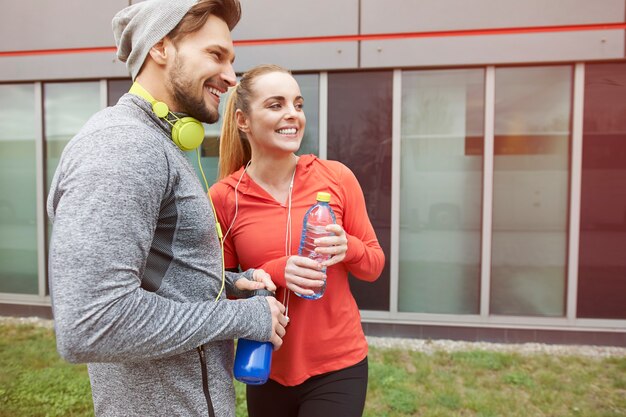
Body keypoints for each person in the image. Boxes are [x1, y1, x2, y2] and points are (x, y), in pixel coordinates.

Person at [46, 2, 288, 417]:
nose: (232, 77)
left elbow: (156, 277)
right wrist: (240, 318)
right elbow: (91, 324)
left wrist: (228, 284)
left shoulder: (160, 144)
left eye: (232, 61)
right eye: (216, 55)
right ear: (161, 48)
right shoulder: (122, 147)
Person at [210, 64, 386, 417]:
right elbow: (219, 289)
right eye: (276, 105)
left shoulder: (336, 178)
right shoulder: (224, 197)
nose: (292, 114)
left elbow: (373, 266)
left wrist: (347, 247)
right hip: (264, 365)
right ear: (243, 120)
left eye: (298, 104)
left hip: (338, 366)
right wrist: (275, 271)